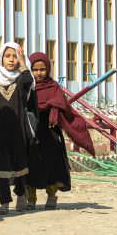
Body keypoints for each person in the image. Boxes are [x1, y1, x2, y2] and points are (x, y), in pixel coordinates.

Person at [26, 52, 96, 209]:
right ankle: (31, 198)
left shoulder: (54, 86)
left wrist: (54, 110)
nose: (39, 73)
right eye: (35, 69)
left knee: (53, 165)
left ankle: (51, 196)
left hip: (51, 132)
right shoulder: (28, 87)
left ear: (48, 69)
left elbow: (62, 104)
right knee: (32, 165)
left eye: (42, 69)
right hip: (32, 133)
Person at [0, 42, 36, 214]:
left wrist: (23, 63)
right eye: (7, 56)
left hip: (19, 130)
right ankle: (4, 202)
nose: (11, 59)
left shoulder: (21, 79)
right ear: (1, 58)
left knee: (20, 164)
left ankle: (21, 195)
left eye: (14, 56)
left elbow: (29, 80)